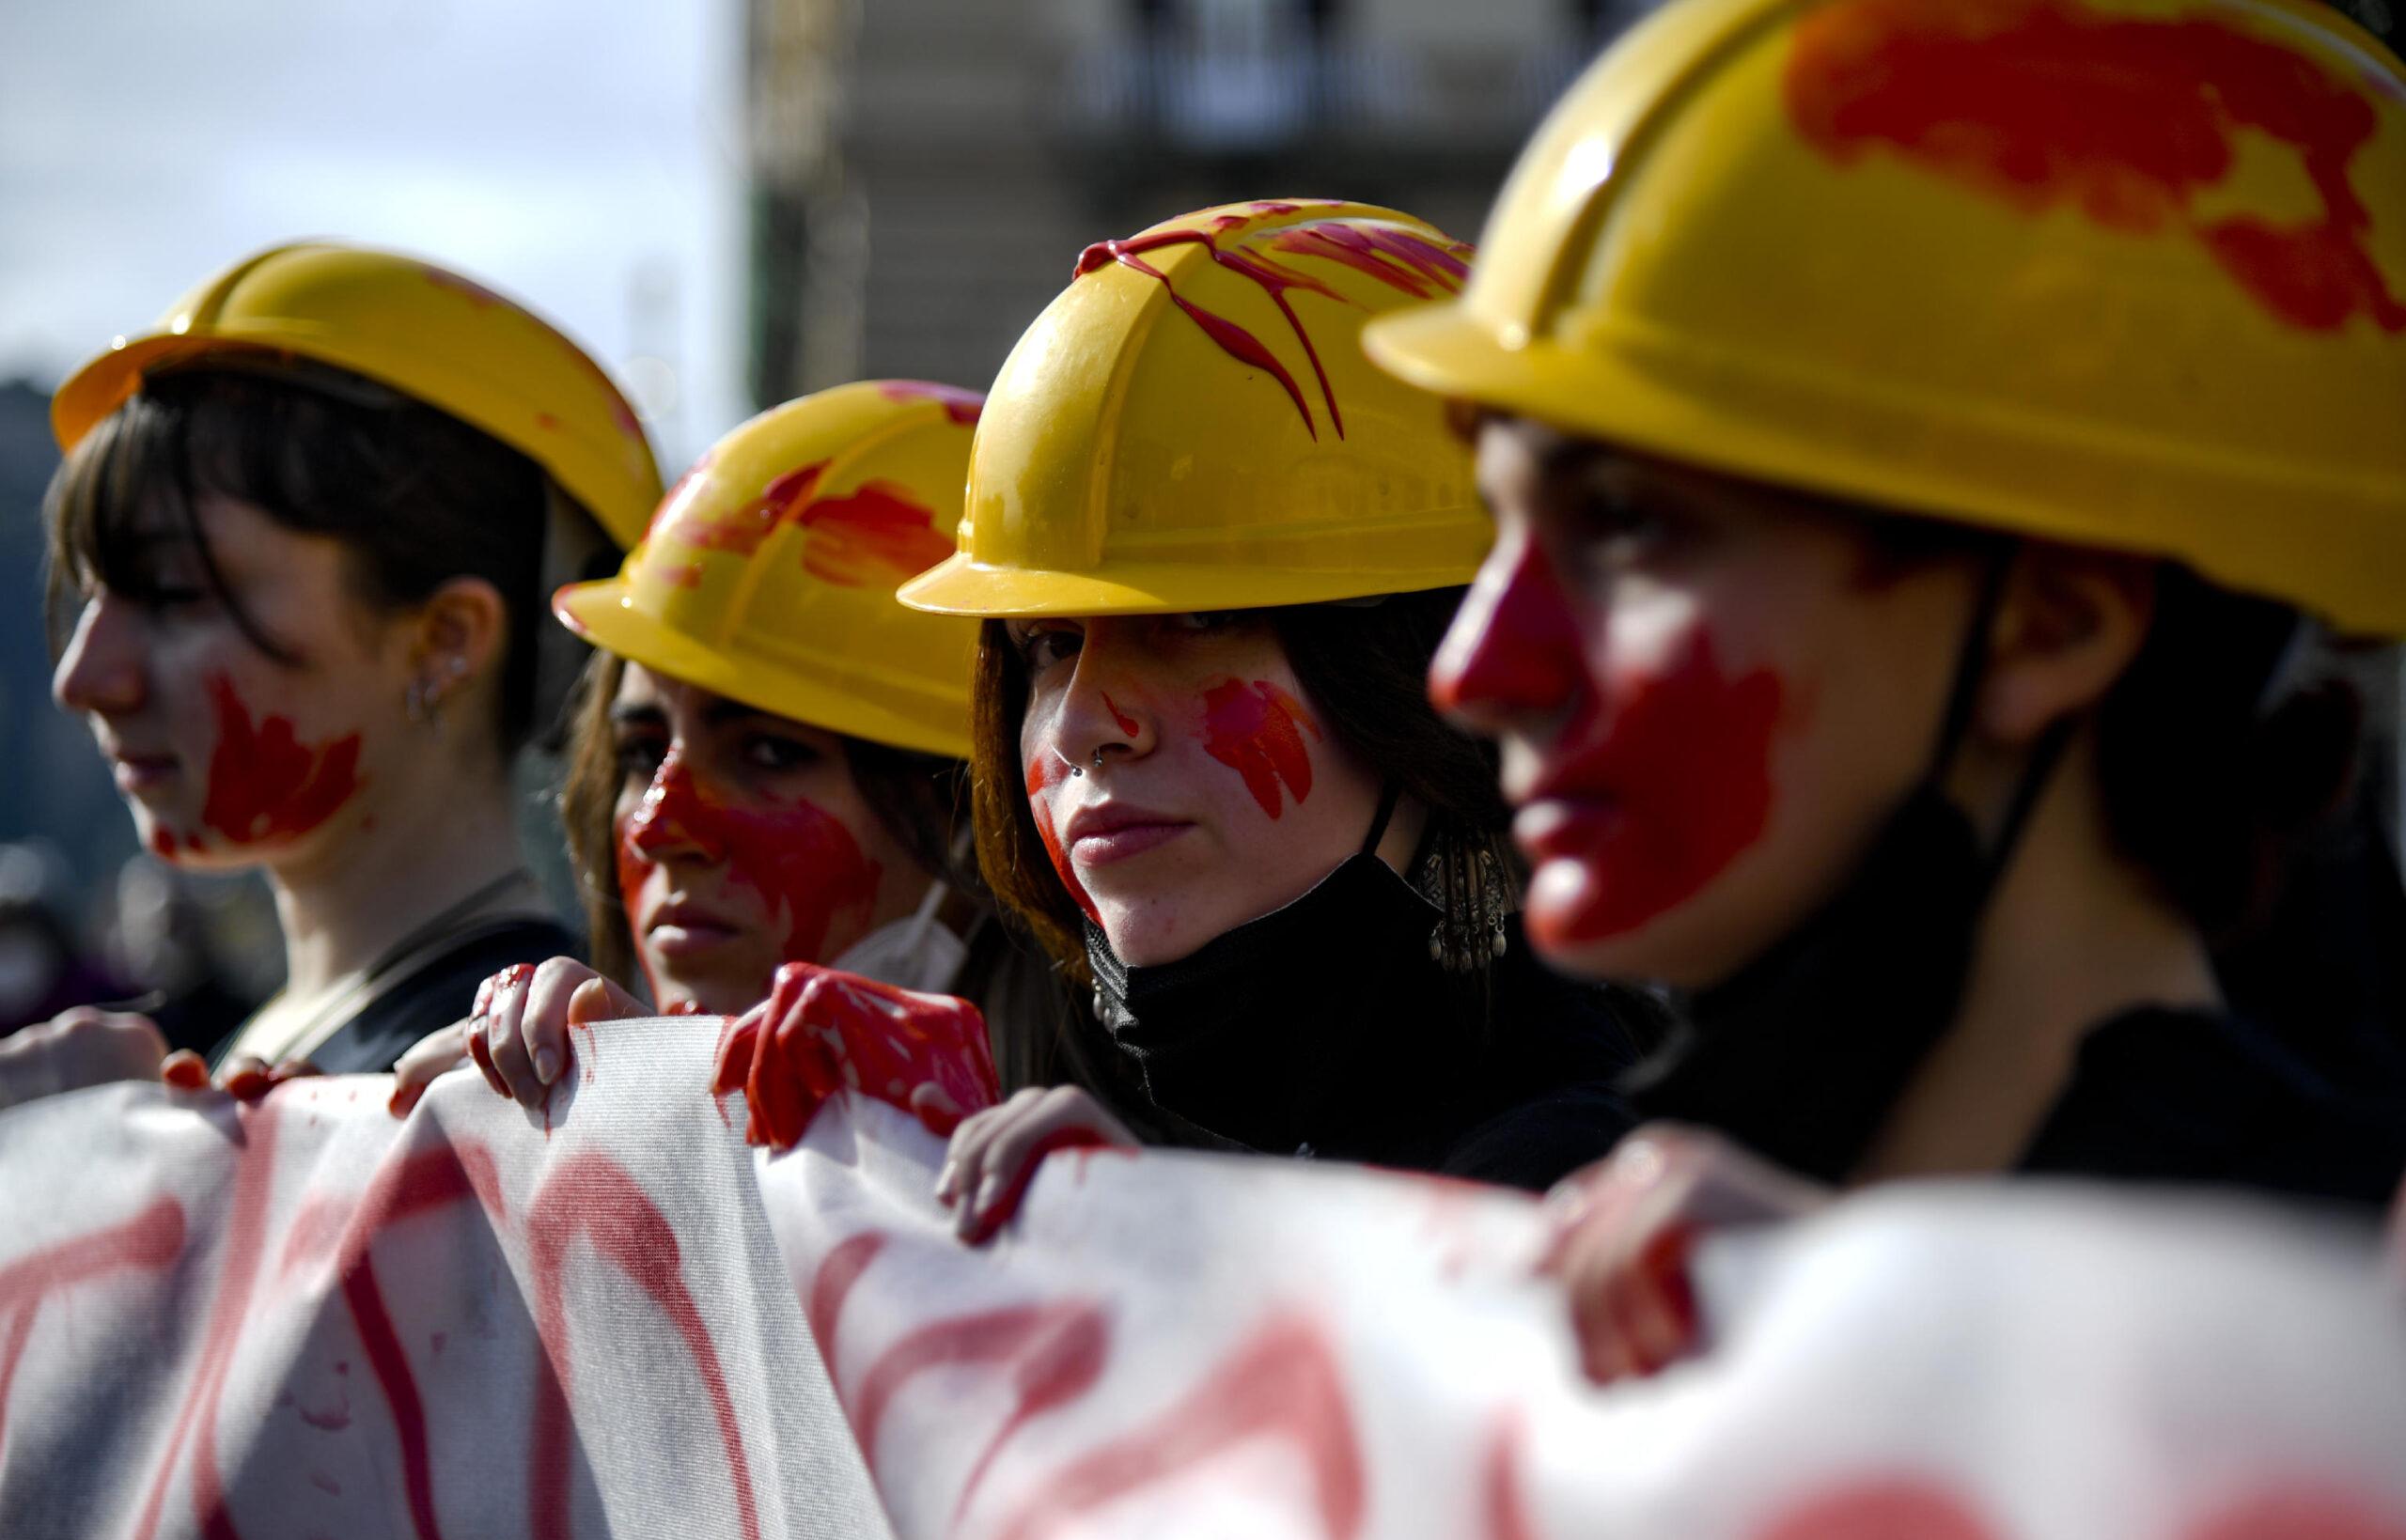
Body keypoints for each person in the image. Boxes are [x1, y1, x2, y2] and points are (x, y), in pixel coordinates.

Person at [1357, 0, 2406, 1378]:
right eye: (1500, 534)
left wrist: (1931, 1347)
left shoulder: (2339, 1344)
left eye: (1629, 523)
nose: (1474, 670)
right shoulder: (1659, 1196)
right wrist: (1167, 1266)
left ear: (2052, 623)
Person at [720, 200, 1662, 1238]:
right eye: (1049, 646)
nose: (1083, 726)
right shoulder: (1115, 1127)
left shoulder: (1579, 1193)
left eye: (1198, 621)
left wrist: (1187, 1279)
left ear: (1434, 670)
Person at [8, 241, 661, 1100]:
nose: (86, 677)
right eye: (92, 600)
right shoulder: (271, 1039)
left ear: (445, 639)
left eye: (173, 593)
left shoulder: (522, 1077)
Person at [395, 381, 1100, 1123]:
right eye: (640, 751)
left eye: (769, 752)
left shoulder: (1144, 1179)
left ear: (983, 819)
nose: (656, 825)